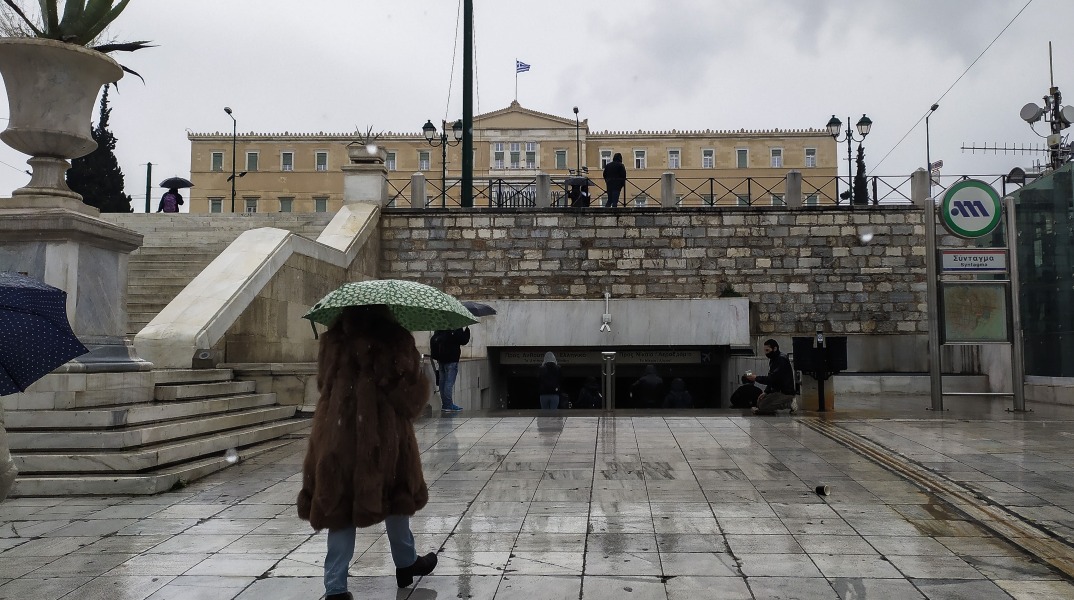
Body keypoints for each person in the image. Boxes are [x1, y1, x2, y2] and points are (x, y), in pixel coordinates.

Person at [297, 305, 438, 599]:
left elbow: (324, 384)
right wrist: (419, 370)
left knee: (340, 506)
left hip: (338, 437)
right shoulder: (395, 339)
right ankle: (406, 562)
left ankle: (335, 587)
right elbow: (410, 400)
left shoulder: (333, 340)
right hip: (383, 440)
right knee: (397, 496)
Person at [746, 339, 799, 415]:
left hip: (785, 392)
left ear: (775, 349)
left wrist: (756, 378)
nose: (766, 353)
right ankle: (770, 408)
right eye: (765, 350)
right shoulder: (774, 359)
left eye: (767, 350)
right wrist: (766, 392)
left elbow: (772, 378)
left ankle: (789, 403)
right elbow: (772, 378)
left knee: (763, 405)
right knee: (760, 401)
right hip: (778, 390)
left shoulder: (781, 359)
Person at [430, 327, 469, 412]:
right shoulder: (455, 326)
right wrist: (467, 330)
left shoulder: (440, 327)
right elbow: (463, 340)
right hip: (452, 359)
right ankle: (448, 405)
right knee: (449, 383)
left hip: (441, 359)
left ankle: (445, 404)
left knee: (442, 382)